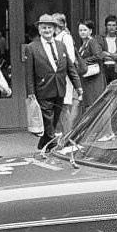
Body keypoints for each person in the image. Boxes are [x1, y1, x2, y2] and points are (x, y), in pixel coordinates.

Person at [25, 14, 83, 150]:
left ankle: (43, 144)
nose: (47, 30)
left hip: (59, 89)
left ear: (54, 29)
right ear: (39, 30)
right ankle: (53, 147)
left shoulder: (61, 45)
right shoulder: (32, 47)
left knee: (55, 119)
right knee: (48, 120)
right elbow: (29, 74)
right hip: (43, 90)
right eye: (44, 28)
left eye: (50, 28)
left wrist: (78, 86)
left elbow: (70, 68)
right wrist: (30, 93)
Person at [53, 13, 80, 132]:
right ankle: (61, 134)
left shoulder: (66, 37)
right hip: (57, 77)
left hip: (64, 77)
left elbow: (70, 59)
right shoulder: (57, 37)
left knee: (64, 106)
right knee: (59, 106)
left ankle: (67, 135)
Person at [77, 19, 107, 110]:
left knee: (93, 105)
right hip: (88, 79)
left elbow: (99, 55)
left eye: (85, 30)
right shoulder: (84, 43)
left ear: (90, 31)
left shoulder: (92, 42)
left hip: (94, 79)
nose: (82, 32)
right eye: (80, 30)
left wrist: (83, 61)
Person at [100, 14, 117, 84]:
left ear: (116, 27)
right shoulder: (101, 39)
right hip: (103, 69)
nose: (111, 27)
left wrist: (108, 54)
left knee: (115, 90)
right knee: (104, 90)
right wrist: (115, 55)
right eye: (109, 25)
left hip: (116, 69)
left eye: (113, 25)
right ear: (106, 26)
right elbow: (99, 54)